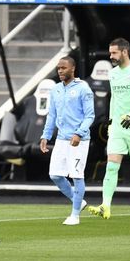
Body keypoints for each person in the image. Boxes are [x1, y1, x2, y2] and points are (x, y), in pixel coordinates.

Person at [88, 38, 130, 220]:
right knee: (111, 167)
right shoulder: (113, 73)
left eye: (114, 53)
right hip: (118, 127)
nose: (111, 56)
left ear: (125, 52)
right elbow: (114, 99)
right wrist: (110, 123)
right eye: (110, 53)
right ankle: (105, 206)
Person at [40, 56, 95, 226]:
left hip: (79, 140)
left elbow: (90, 115)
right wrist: (46, 135)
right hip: (62, 139)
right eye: (58, 68)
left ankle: (75, 215)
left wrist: (79, 133)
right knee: (55, 175)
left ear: (73, 69)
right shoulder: (55, 89)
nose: (60, 71)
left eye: (63, 68)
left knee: (77, 175)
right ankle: (78, 200)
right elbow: (52, 115)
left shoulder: (83, 89)